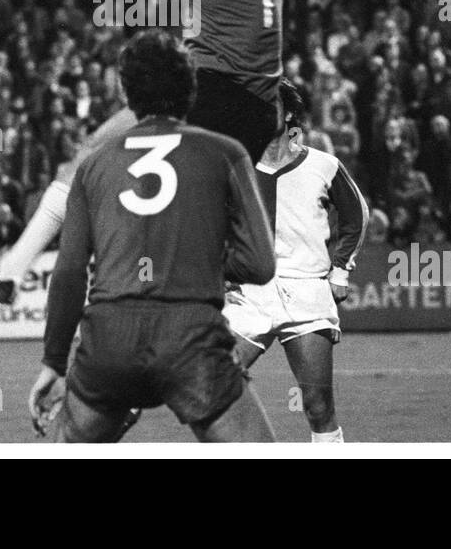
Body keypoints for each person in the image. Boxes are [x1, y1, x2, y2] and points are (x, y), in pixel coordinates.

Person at [0, 0, 284, 304]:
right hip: (253, 111)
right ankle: (206, 278)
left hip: (212, 97)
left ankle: (21, 274)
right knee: (172, 211)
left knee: (88, 167)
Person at [28, 32, 277, 442]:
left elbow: (70, 272)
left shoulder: (92, 166)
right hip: (191, 337)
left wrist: (54, 363)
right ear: (191, 88)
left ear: (126, 93)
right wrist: (199, 259)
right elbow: (261, 264)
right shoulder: (226, 152)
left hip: (109, 340)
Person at [223, 80, 366, 442]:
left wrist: (341, 268)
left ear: (288, 113)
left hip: (306, 291)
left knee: (317, 405)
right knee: (214, 386)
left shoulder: (323, 165)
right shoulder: (235, 166)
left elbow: (356, 216)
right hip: (249, 294)